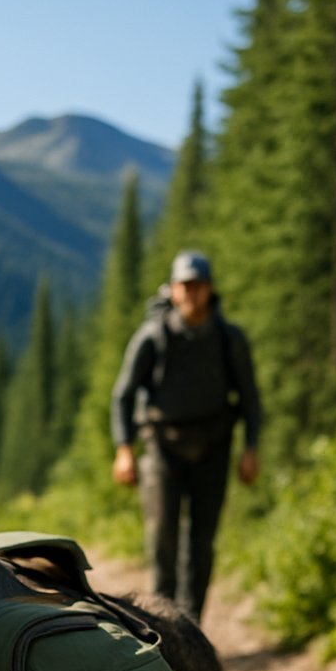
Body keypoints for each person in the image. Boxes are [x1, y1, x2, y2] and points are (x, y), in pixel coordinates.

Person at [110, 250, 261, 620]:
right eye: (185, 285)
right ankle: (164, 621)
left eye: (199, 285)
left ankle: (193, 624)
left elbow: (250, 397)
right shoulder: (152, 337)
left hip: (214, 446)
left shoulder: (229, 339)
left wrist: (251, 448)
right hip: (163, 447)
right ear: (173, 290)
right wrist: (124, 449)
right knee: (163, 537)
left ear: (210, 290)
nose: (192, 293)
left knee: (201, 541)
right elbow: (123, 395)